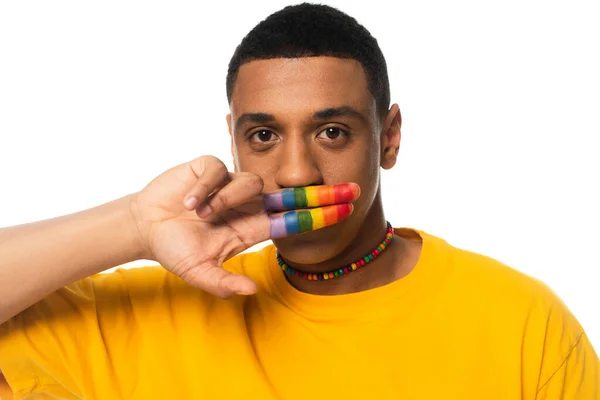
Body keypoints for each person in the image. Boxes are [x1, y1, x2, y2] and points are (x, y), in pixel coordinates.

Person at [0, 3, 598, 399]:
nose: (296, 170)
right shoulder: (140, 315)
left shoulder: (521, 322)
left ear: (388, 137)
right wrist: (133, 224)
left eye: (331, 132)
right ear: (232, 139)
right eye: (263, 136)